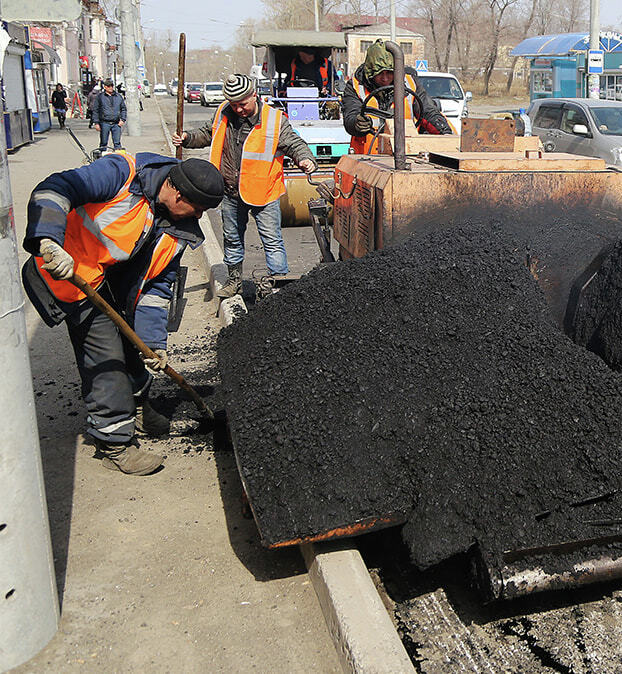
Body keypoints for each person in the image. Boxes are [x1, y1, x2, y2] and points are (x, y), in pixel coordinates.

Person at [23, 154, 224, 475]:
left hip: (113, 279)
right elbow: (54, 189)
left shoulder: (179, 227)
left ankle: (138, 407)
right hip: (67, 270)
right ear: (176, 194)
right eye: (198, 208)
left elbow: (157, 288)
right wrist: (48, 240)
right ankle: (114, 442)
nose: (199, 216)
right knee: (105, 356)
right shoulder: (121, 174)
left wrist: (153, 343)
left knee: (135, 343)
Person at [172, 74, 316, 297]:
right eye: (234, 104)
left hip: (264, 191)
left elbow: (295, 143)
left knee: (272, 240)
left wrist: (306, 159)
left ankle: (279, 286)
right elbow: (206, 134)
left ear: (255, 95)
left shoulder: (274, 120)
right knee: (232, 238)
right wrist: (187, 138)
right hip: (230, 191)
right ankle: (234, 282)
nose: (239, 109)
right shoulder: (222, 113)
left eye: (243, 104)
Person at [341, 39, 452, 154]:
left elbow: (428, 112)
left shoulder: (410, 84)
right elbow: (350, 115)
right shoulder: (356, 86)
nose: (385, 78)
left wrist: (445, 134)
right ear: (369, 72)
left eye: (389, 73)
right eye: (379, 74)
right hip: (365, 159)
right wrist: (357, 124)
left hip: (407, 155)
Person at [90, 79, 126, 150]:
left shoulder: (118, 97)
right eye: (109, 86)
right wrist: (96, 123)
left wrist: (123, 119)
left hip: (116, 123)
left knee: (117, 143)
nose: (111, 88)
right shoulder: (100, 97)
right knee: (103, 143)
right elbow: (95, 110)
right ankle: (102, 158)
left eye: (112, 86)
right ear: (105, 87)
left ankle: (118, 158)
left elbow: (123, 109)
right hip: (104, 123)